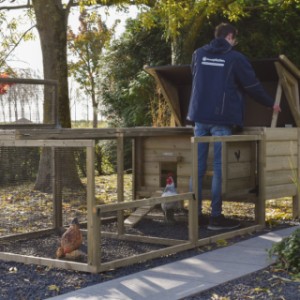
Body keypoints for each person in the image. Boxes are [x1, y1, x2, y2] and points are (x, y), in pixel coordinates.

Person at [187, 22, 281, 230]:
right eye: (234, 39)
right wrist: (270, 103)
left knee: (198, 166)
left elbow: (197, 79)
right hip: (222, 119)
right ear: (230, 36)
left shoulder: (198, 54)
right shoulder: (235, 58)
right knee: (220, 169)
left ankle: (194, 215)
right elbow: (252, 86)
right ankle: (216, 218)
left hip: (199, 117)